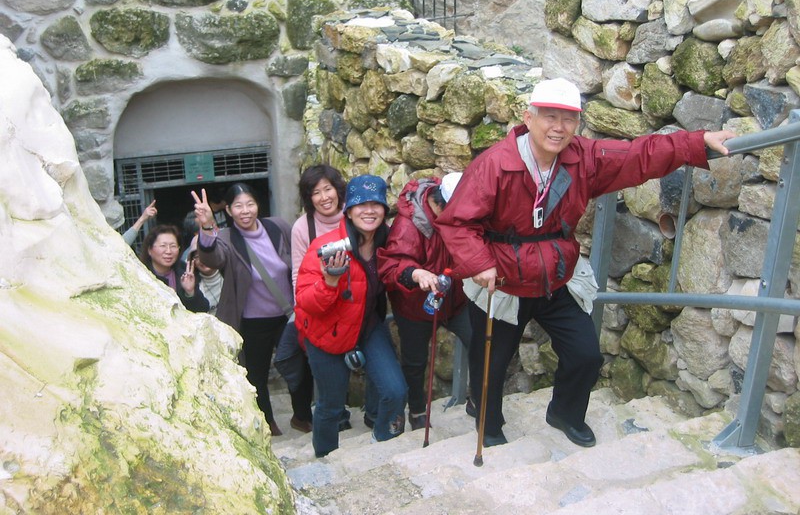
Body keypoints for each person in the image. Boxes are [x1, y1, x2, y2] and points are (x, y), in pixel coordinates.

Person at [436, 77, 735, 448]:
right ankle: (488, 422)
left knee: (586, 356)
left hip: (556, 277)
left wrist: (695, 143)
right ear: (529, 118)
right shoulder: (494, 165)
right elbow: (458, 222)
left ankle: (565, 413)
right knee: (491, 365)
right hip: (504, 281)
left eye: (569, 119)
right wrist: (480, 263)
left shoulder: (584, 158)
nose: (559, 128)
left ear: (577, 123)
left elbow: (637, 155)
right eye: (550, 117)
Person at [295, 174, 407, 458]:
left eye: (376, 204)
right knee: (331, 407)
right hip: (326, 332)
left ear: (384, 209)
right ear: (348, 210)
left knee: (395, 391)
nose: (369, 211)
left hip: (366, 326)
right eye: (361, 205)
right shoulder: (326, 246)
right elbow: (305, 302)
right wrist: (330, 282)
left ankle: (382, 445)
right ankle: (325, 459)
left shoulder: (390, 242)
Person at [192, 183, 294, 437]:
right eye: (238, 206)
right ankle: (268, 423)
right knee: (257, 375)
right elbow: (212, 260)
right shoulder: (227, 238)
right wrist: (207, 226)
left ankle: (303, 416)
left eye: (250, 204)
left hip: (289, 315)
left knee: (298, 364)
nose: (245, 210)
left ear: (258, 205)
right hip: (253, 320)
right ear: (228, 210)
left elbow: (297, 258)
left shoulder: (278, 227)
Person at [377, 172, 472, 430]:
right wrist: (415, 273)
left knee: (479, 339)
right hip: (415, 306)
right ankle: (417, 412)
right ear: (440, 205)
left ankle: (478, 399)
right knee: (415, 361)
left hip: (454, 299)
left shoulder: (455, 214)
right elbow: (392, 265)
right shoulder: (409, 225)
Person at [289, 165, 355, 433]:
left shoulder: (355, 215)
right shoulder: (302, 227)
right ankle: (333, 414)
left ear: (338, 190)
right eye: (316, 192)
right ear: (309, 198)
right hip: (321, 303)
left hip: (354, 300)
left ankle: (370, 412)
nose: (324, 197)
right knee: (320, 361)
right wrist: (303, 306)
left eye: (328, 189)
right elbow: (298, 273)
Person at [139, 224, 209, 314]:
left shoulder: (185, 272)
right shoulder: (140, 275)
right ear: (149, 250)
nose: (168, 251)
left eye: (173, 246)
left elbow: (203, 309)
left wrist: (190, 292)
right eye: (163, 246)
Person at [187, 235, 223, 316]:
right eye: (197, 256)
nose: (203, 259)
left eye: (207, 254)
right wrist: (190, 292)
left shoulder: (229, 273)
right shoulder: (193, 284)